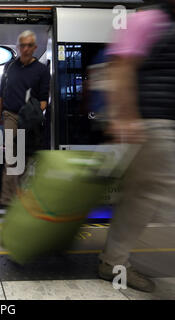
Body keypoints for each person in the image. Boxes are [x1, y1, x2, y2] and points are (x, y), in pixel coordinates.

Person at [98, 1, 175, 292]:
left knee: (141, 199)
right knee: (151, 197)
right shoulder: (149, 20)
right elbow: (121, 66)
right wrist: (124, 116)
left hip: (158, 125)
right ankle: (113, 261)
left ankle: (113, 261)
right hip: (154, 124)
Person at [0, 30, 50, 206]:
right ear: (18, 47)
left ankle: (21, 199)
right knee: (12, 159)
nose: (26, 49)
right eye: (22, 45)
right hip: (10, 117)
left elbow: (44, 101)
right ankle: (8, 202)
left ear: (35, 48)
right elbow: (0, 95)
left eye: (29, 45)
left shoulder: (41, 71)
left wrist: (32, 113)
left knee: (25, 160)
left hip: (30, 120)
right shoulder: (9, 68)